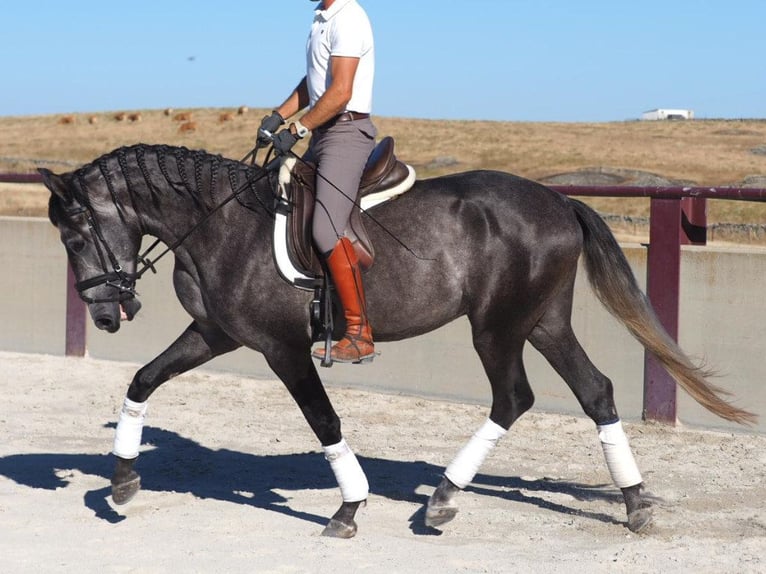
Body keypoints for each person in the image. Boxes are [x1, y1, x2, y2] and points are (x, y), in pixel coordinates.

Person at [259, 0, 377, 364]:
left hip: (347, 132)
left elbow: (340, 91)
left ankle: (359, 332)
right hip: (323, 134)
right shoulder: (320, 19)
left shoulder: (349, 17)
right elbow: (314, 83)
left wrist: (297, 128)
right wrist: (278, 115)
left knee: (326, 229)